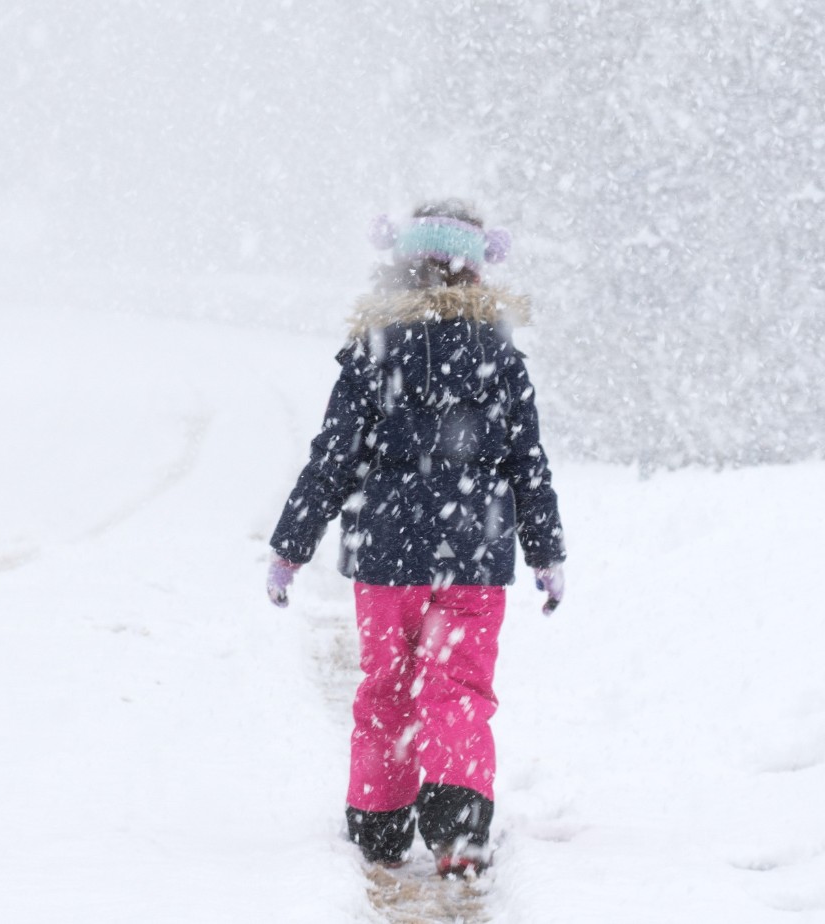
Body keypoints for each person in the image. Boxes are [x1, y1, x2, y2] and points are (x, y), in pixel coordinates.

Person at [264, 199, 566, 878]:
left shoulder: (375, 353)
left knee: (387, 690)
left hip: (387, 557)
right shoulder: (501, 359)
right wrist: (548, 553)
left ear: (398, 265)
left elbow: (334, 460)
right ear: (478, 272)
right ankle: (459, 830)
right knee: (458, 689)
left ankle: (378, 826)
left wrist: (292, 545)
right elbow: (528, 464)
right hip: (473, 557)